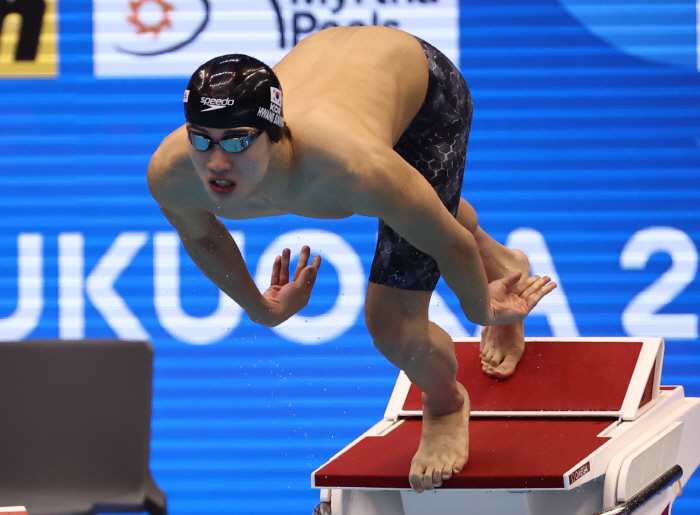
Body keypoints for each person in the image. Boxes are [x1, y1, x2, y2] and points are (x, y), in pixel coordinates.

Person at [147, 25, 557, 493]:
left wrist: (485, 311)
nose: (217, 162)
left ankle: (445, 404)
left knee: (392, 326)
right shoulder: (174, 173)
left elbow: (449, 245)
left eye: (238, 141)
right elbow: (204, 239)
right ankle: (505, 261)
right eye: (201, 139)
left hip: (424, 95)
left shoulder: (354, 167)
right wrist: (262, 309)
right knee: (413, 204)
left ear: (274, 131)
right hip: (339, 70)